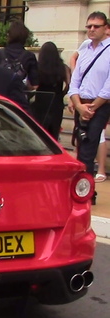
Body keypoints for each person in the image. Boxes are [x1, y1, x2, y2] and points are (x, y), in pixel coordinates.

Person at [67, 11, 110, 203]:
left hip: (99, 105)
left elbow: (108, 86)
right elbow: (74, 81)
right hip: (81, 103)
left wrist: (92, 108)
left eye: (96, 26)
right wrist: (78, 104)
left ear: (106, 29)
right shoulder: (83, 51)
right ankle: (84, 189)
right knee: (81, 147)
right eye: (89, 26)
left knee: (89, 148)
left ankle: (86, 191)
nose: (92, 30)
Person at [32, 41, 70, 140]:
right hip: (56, 102)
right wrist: (62, 94)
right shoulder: (63, 68)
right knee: (54, 133)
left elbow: (33, 85)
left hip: (41, 103)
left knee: (41, 134)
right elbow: (69, 84)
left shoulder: (38, 68)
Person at [0, 20, 38, 90]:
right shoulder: (29, 56)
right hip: (19, 95)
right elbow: (34, 85)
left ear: (9, 35)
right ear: (25, 37)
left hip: (0, 96)